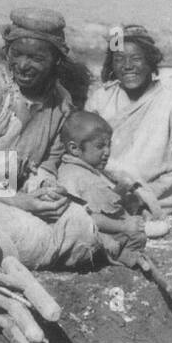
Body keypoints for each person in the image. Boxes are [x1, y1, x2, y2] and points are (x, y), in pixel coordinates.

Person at [0, 8, 99, 270]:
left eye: (36, 58)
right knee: (35, 239)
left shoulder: (60, 101)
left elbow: (47, 164)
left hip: (17, 192)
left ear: (55, 60)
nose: (22, 65)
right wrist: (18, 202)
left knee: (83, 226)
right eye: (16, 54)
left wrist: (45, 192)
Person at [85, 24, 172, 214]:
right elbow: (83, 150)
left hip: (147, 193)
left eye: (136, 58)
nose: (127, 66)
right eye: (119, 59)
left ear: (151, 62)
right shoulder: (101, 99)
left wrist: (142, 196)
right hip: (98, 184)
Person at [56, 112, 149, 262]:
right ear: (75, 149)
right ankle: (124, 255)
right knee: (136, 234)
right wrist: (124, 226)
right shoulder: (84, 178)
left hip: (77, 230)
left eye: (109, 145)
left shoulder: (70, 168)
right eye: (100, 146)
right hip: (80, 235)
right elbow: (89, 217)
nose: (107, 152)